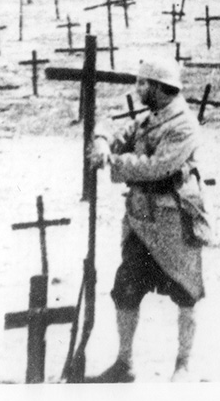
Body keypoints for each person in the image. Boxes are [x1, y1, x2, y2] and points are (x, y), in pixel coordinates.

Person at [86, 55, 213, 382]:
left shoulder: (184, 124)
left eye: (144, 83)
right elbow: (115, 132)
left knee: (186, 292)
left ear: (161, 87)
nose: (138, 88)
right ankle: (124, 363)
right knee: (125, 287)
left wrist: (113, 162)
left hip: (174, 218)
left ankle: (183, 365)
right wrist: (102, 142)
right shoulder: (148, 119)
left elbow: (158, 166)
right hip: (141, 219)